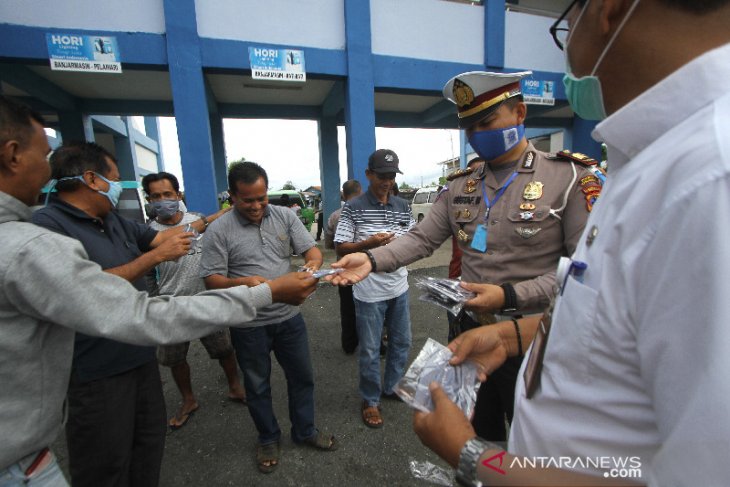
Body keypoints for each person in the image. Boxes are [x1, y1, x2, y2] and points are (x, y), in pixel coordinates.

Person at [413, 0, 730, 485]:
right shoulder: (652, 161)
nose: (477, 135)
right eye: (469, 126)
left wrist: (473, 456)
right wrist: (511, 335)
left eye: (565, 20)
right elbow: (615, 319)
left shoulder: (706, 180)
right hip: (491, 337)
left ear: (607, 8)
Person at [0, 95, 316, 486]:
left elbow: (172, 236)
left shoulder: (112, 221)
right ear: (14, 155)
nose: (119, 186)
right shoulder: (34, 238)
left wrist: (208, 219)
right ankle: (261, 433)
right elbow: (132, 308)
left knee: (145, 450)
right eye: (115, 178)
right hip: (95, 368)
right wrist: (265, 291)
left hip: (137, 356)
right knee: (108, 464)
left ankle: (303, 428)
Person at [330, 71, 601, 441]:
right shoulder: (461, 184)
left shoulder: (568, 177)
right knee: (477, 433)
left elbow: (584, 275)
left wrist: (509, 295)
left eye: (486, 122)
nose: (475, 134)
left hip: (533, 336)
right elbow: (421, 239)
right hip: (470, 329)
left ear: (520, 113)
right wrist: (372, 260)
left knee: (536, 444)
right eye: (468, 126)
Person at [200, 161, 337, 474]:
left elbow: (312, 253)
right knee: (257, 385)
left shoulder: (285, 215)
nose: (257, 206)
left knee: (302, 377)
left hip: (289, 318)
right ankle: (267, 437)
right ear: (232, 197)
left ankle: (304, 431)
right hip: (248, 324)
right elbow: (212, 280)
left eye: (261, 198)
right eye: (247, 200)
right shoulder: (219, 230)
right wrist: (245, 282)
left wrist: (311, 269)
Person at [142, 171, 246, 431]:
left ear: (178, 195)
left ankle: (235, 386)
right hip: (171, 307)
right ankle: (188, 400)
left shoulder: (198, 220)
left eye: (167, 194)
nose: (162, 200)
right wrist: (155, 300)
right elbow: (147, 273)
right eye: (155, 196)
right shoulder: (147, 234)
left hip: (207, 300)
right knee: (175, 359)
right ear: (148, 199)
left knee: (224, 350)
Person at [333, 149, 415, 429]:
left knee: (402, 342)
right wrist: (369, 244)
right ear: (369, 175)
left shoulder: (403, 206)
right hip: (368, 292)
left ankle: (391, 387)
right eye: (382, 176)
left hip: (399, 287)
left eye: (391, 176)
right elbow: (340, 246)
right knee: (369, 349)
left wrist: (402, 250)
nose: (387, 181)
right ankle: (370, 399)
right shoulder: (353, 208)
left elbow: (413, 241)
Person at [444, 157, 483, 341]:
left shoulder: (498, 207)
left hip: (487, 286)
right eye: (472, 175)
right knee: (456, 334)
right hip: (457, 281)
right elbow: (423, 238)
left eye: (483, 173)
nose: (476, 179)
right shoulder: (455, 203)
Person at [324, 179, 362, 354]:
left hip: (344, 269)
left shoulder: (334, 216)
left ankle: (349, 344)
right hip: (366, 268)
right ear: (360, 193)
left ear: (343, 195)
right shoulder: (367, 213)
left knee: (347, 308)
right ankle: (376, 344)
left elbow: (329, 244)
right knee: (371, 306)